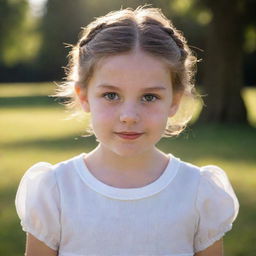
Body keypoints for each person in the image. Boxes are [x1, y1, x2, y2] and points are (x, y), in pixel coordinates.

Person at [15, 6, 239, 256]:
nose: (129, 116)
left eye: (149, 97)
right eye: (111, 95)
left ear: (174, 101)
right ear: (84, 96)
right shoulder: (55, 190)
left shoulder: (199, 192)